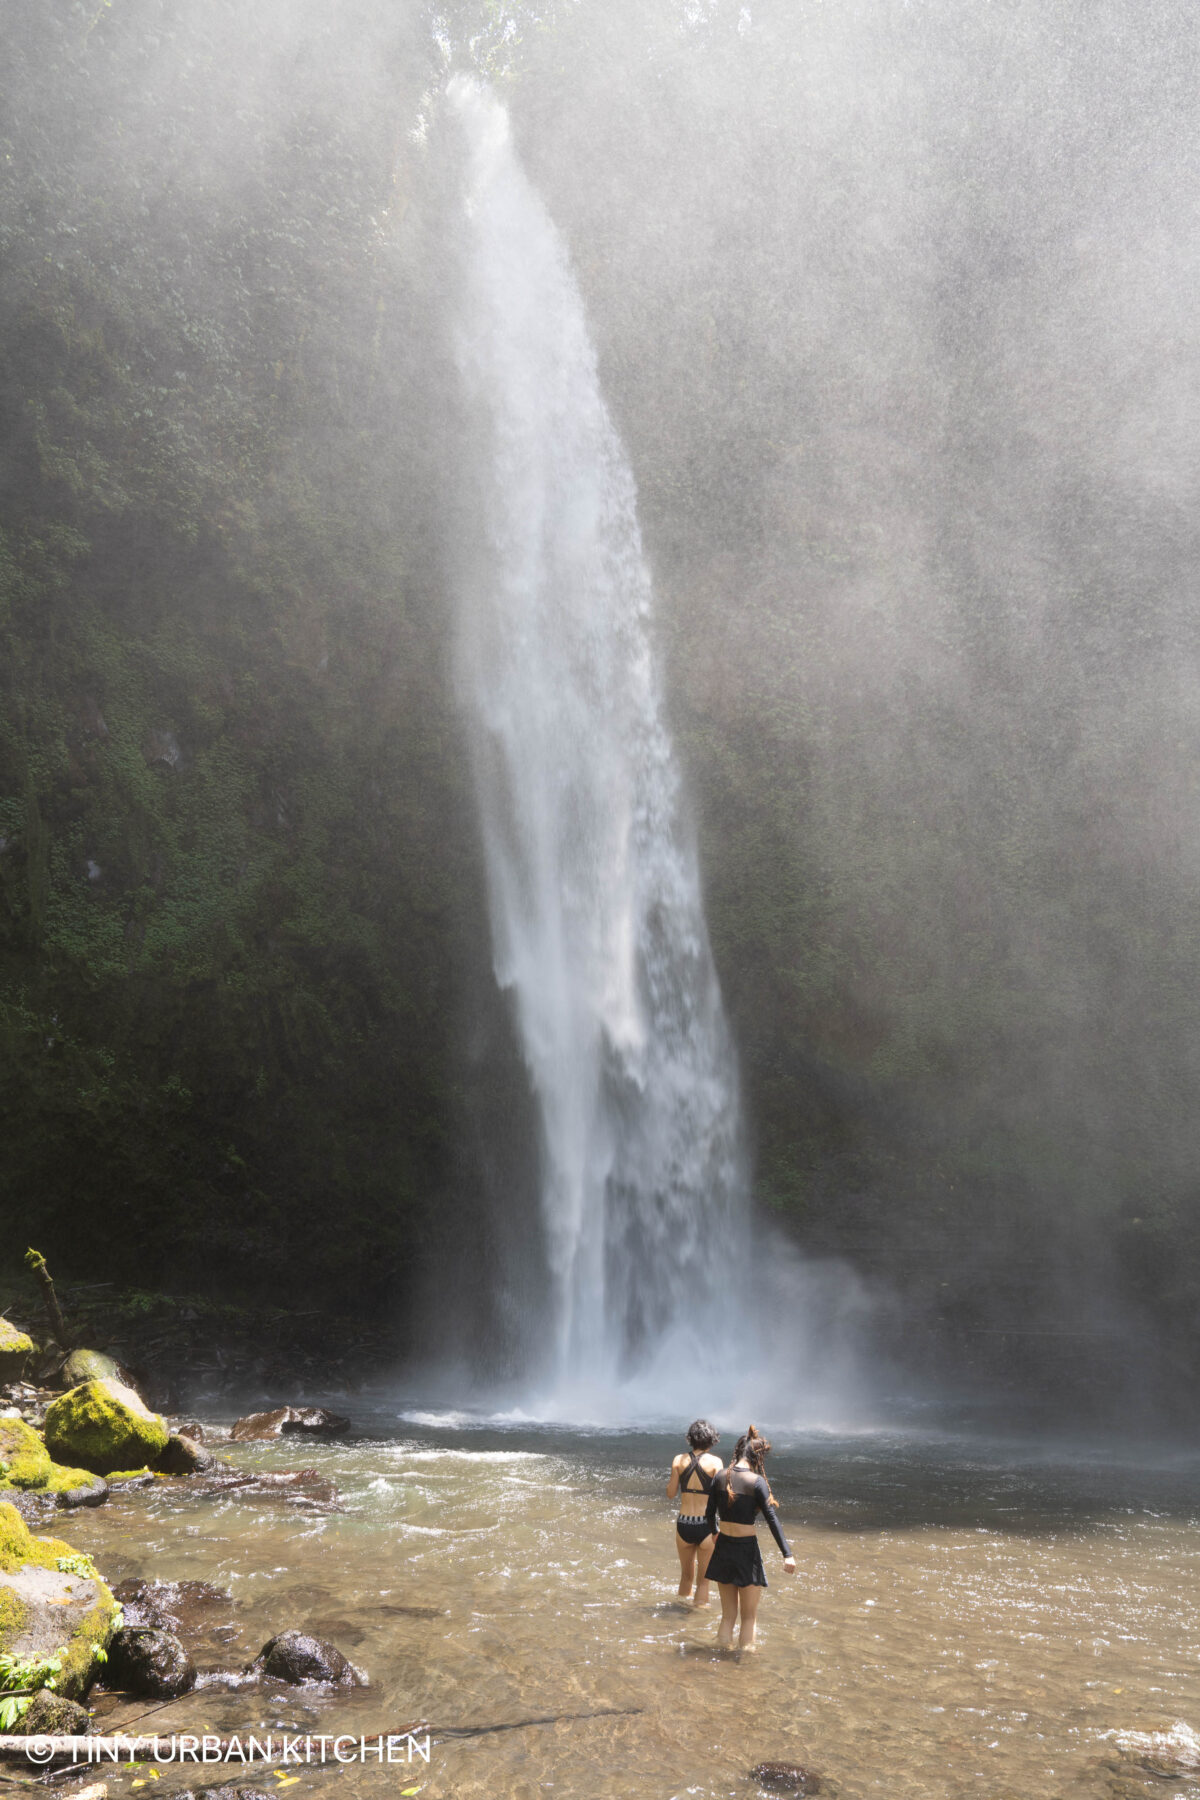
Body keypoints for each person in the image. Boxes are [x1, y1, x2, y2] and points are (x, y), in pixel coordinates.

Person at [703, 1423, 795, 1650]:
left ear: (737, 1451)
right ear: (758, 1457)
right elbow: (772, 1519)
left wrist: (715, 1533)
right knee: (749, 1618)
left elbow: (708, 1514)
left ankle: (719, 1658)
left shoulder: (720, 1477)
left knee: (727, 1616)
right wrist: (787, 1554)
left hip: (723, 1546)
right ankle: (746, 1669)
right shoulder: (757, 1482)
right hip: (746, 1551)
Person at [666, 1419, 723, 1607]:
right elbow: (722, 1498)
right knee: (704, 1580)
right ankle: (696, 1622)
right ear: (712, 1439)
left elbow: (670, 1494)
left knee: (685, 1576)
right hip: (706, 1525)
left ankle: (680, 1613)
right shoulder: (716, 1463)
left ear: (690, 1438)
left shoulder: (677, 1460)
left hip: (684, 1523)